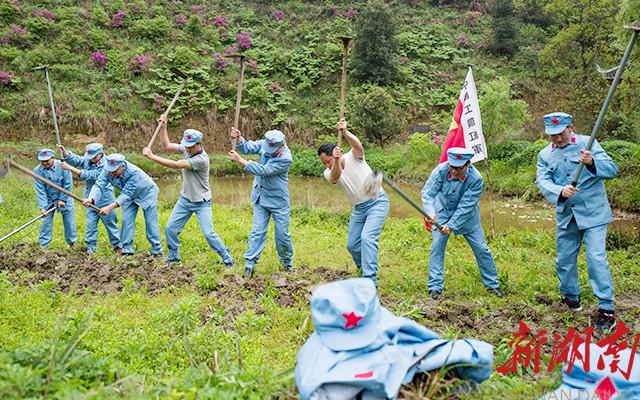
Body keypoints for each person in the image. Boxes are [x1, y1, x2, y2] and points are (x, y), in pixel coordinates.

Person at [536, 111, 618, 332]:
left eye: (561, 134)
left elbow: (612, 170)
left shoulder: (588, 144)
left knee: (596, 258)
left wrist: (592, 162)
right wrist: (560, 191)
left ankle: (606, 309)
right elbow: (542, 181)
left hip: (594, 213)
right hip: (567, 214)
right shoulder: (545, 155)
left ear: (570, 127)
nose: (557, 139)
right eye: (552, 135)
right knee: (564, 260)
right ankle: (571, 299)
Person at [142, 114, 234, 268]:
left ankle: (227, 258)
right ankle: (174, 258)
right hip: (185, 200)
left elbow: (176, 164)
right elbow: (167, 146)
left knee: (208, 233)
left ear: (199, 144)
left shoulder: (201, 159)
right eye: (186, 146)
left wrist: (152, 157)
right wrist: (164, 127)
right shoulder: (187, 149)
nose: (188, 148)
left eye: (191, 146)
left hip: (201, 202)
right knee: (170, 229)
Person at [421, 147, 502, 300]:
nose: (454, 171)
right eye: (452, 167)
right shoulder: (440, 171)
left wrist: (451, 225)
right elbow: (428, 193)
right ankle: (435, 286)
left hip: (467, 218)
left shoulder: (476, 179)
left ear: (468, 164)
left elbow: (466, 206)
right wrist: (430, 212)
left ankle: (492, 284)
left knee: (481, 249)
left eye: (459, 168)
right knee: (437, 248)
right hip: (442, 213)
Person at [317, 118, 390, 286]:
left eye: (327, 161)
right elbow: (336, 176)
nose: (327, 165)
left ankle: (370, 280)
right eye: (324, 163)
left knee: (367, 238)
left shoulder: (353, 157)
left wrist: (345, 132)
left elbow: (358, 146)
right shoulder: (329, 172)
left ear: (337, 153)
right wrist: (333, 162)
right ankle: (362, 268)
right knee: (352, 245)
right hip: (358, 209)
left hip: (377, 202)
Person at [229, 127, 293, 278]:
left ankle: (287, 263)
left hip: (278, 201)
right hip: (260, 197)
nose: (269, 151)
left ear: (282, 145)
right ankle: (249, 264)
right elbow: (248, 147)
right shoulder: (266, 144)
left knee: (282, 234)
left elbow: (264, 170)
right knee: (257, 232)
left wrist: (240, 160)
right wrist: (238, 139)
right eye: (268, 147)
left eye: (273, 149)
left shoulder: (285, 158)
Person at [81, 153, 163, 256]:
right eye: (110, 171)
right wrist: (91, 199)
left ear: (122, 166)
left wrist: (109, 207)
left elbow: (126, 194)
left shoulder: (134, 172)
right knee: (126, 220)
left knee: (151, 223)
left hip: (146, 193)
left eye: (114, 171)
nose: (111, 173)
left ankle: (157, 250)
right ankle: (127, 250)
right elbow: (99, 185)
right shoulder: (107, 170)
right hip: (128, 196)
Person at [58, 143, 122, 254]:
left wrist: (69, 168)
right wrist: (66, 153)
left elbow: (90, 175)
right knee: (90, 224)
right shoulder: (88, 160)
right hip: (89, 197)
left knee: (110, 223)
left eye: (94, 157)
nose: (91, 159)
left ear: (101, 154)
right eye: (90, 157)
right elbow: (78, 160)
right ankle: (91, 248)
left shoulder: (107, 165)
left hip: (105, 198)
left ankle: (118, 246)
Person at [33, 148, 77, 249]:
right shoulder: (37, 171)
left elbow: (68, 184)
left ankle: (72, 244)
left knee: (69, 223)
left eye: (46, 161)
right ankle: (43, 246)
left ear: (52, 158)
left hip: (65, 198)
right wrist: (43, 207)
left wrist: (63, 199)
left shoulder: (62, 166)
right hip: (48, 199)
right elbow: (40, 190)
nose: (44, 163)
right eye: (42, 161)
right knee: (45, 222)